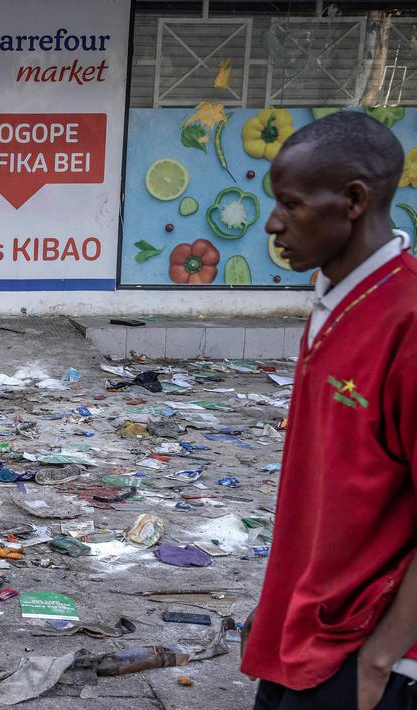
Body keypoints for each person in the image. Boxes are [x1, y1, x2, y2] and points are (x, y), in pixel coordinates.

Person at [240, 111, 417, 710]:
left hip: (364, 649)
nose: (273, 223)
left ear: (354, 201)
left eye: (291, 204)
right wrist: (279, 600)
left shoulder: (407, 320)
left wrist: (382, 657)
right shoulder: (333, 302)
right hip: (301, 626)